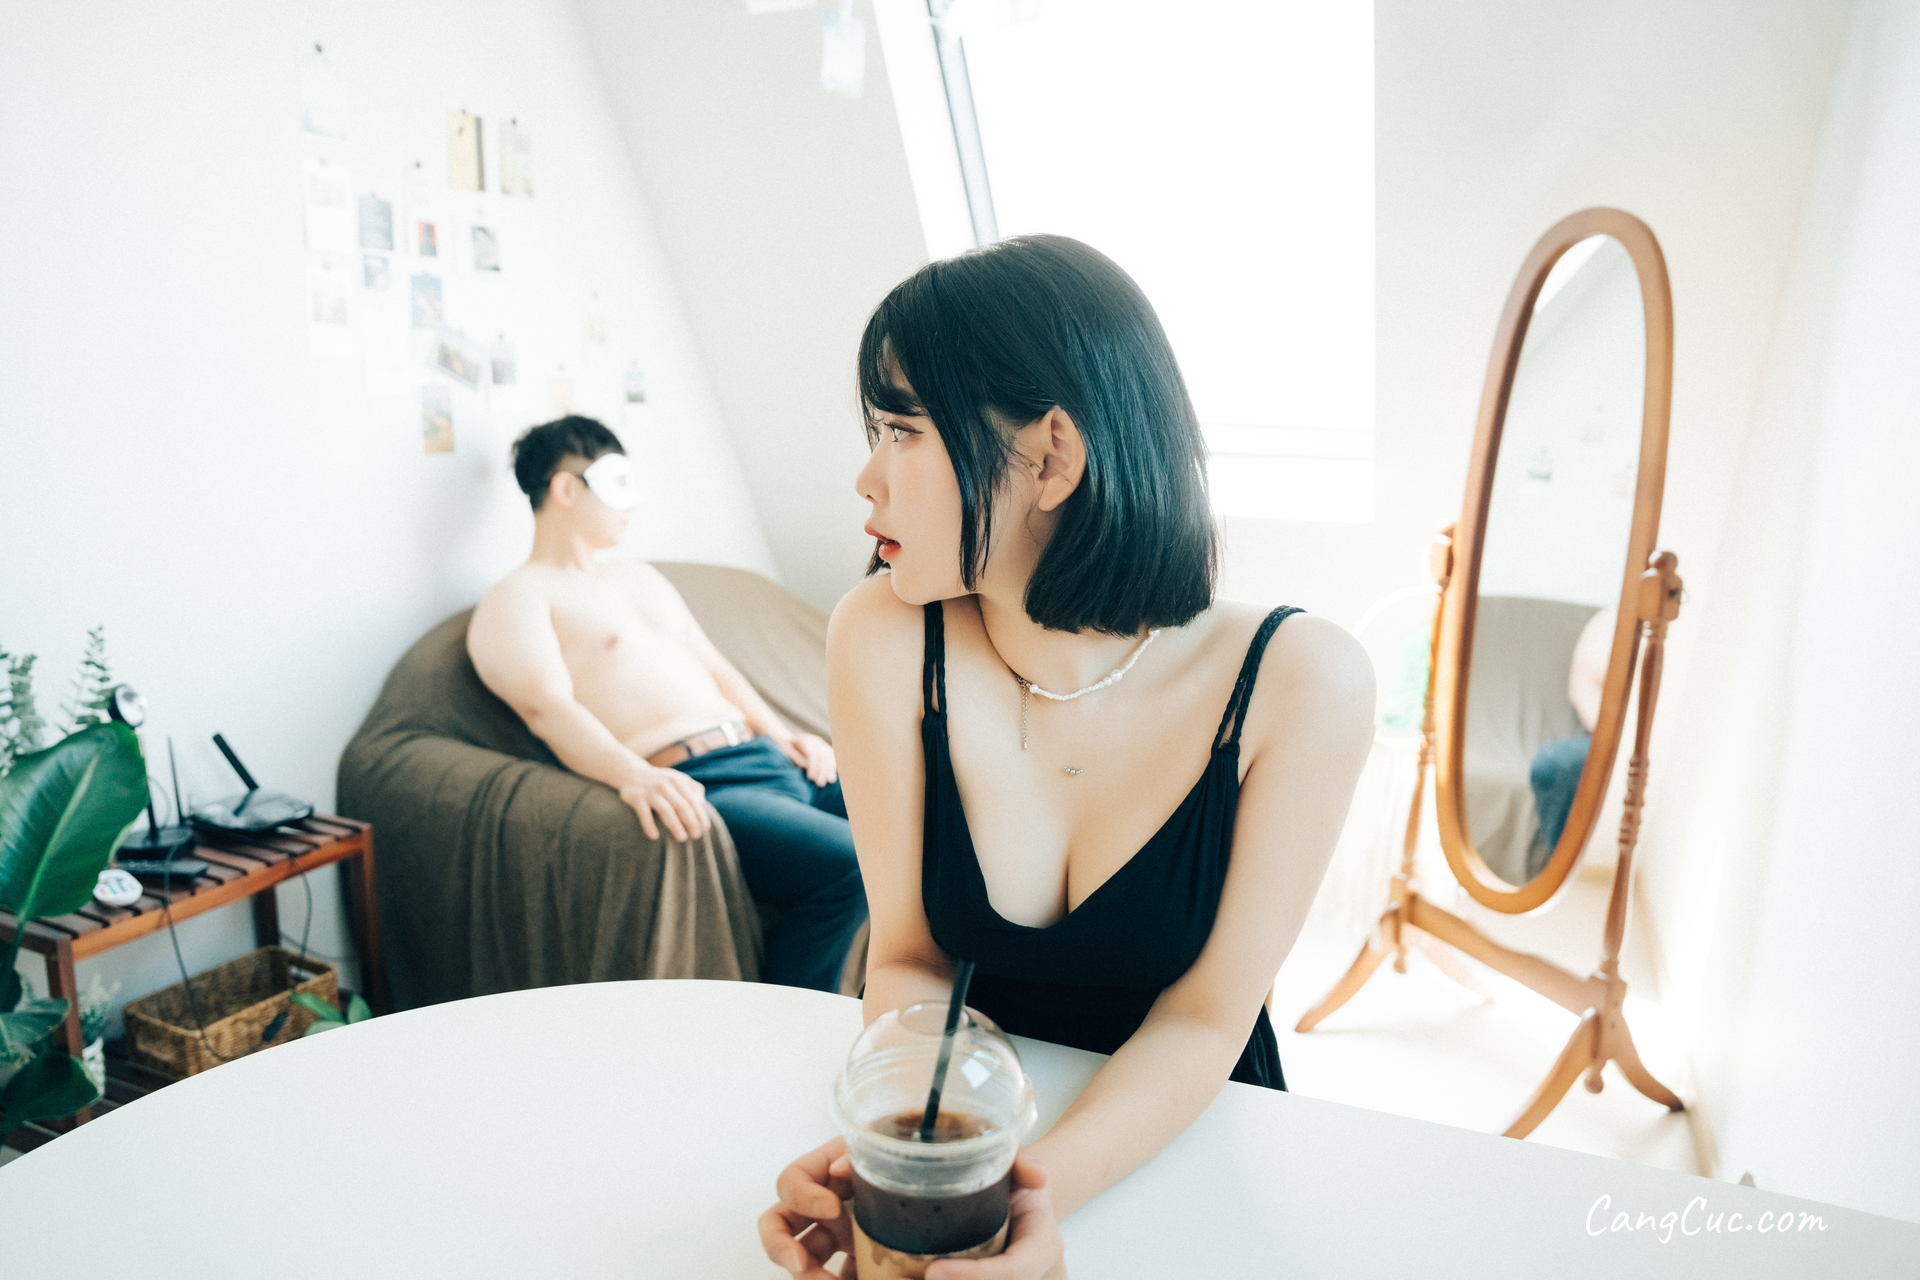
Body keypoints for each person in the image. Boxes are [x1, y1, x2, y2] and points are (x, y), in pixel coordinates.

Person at [759, 237, 1374, 1277]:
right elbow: (908, 957)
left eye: (902, 431)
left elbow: (1206, 1017)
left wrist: (1030, 1194)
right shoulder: (884, 634)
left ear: (1051, 457)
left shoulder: (1303, 680)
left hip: (1192, 1146)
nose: (865, 479)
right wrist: (917, 1153)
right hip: (978, 1111)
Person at [467, 415, 866, 994]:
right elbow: (547, 708)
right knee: (850, 866)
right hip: (707, 781)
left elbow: (715, 666)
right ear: (566, 488)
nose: (632, 503)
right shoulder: (518, 597)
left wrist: (786, 737)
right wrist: (632, 775)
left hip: (766, 756)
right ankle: (790, 1023)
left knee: (933, 821)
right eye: (617, 484)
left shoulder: (640, 577)